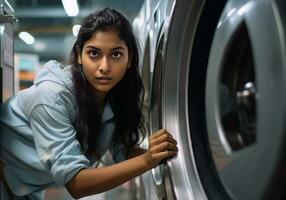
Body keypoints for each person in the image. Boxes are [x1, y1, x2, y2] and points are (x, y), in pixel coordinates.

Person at [0, 7, 178, 199]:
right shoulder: (52, 96)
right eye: (94, 54)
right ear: (79, 55)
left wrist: (162, 155)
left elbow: (122, 151)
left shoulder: (112, 96)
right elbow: (77, 184)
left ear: (130, 59)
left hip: (25, 187)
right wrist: (146, 160)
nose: (104, 67)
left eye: (116, 54)